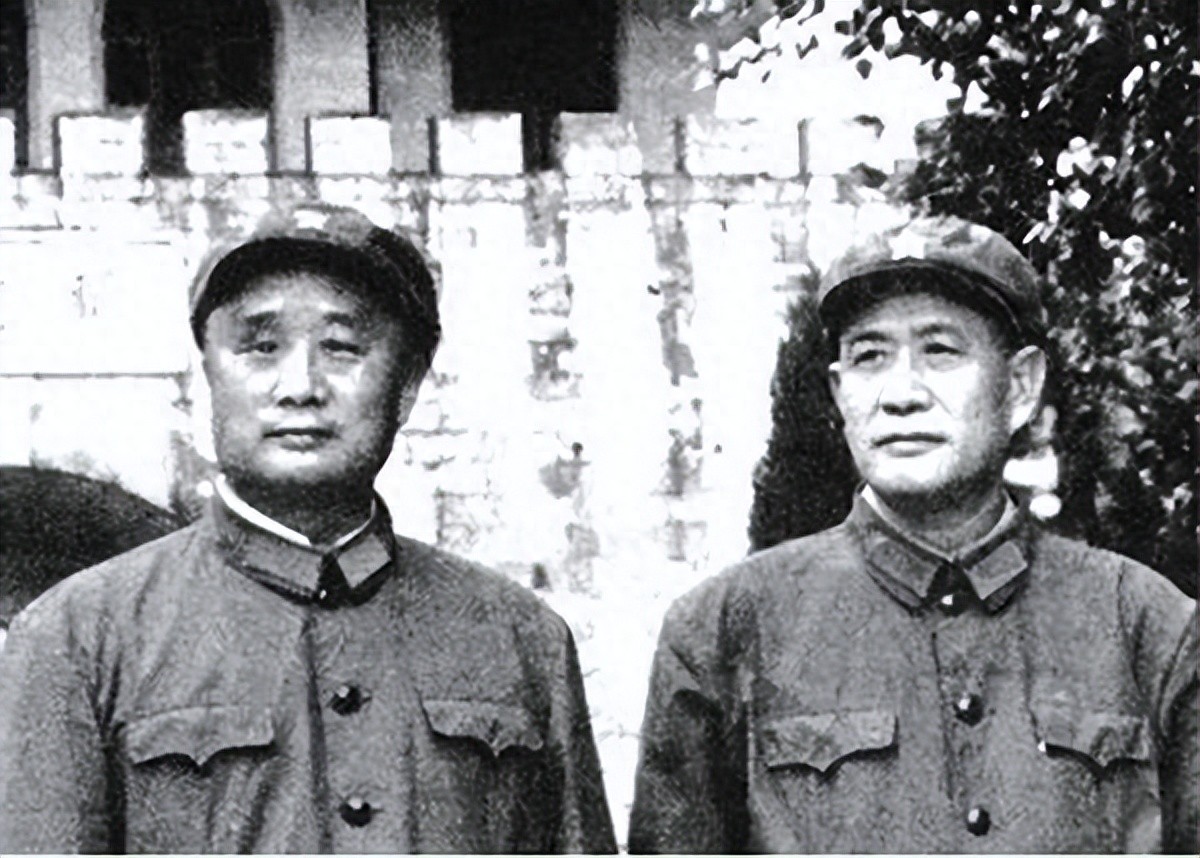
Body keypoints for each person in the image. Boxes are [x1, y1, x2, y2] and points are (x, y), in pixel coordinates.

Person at [0, 203, 617, 853]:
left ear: (407, 385)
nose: (300, 387)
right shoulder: (80, 636)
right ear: (208, 374)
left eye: (342, 348)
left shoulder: (521, 639)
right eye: (260, 347)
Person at [627, 215, 1197, 853]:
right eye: (869, 357)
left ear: (1019, 386)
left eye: (941, 351)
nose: (900, 394)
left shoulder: (1150, 628)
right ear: (839, 393)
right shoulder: (723, 632)